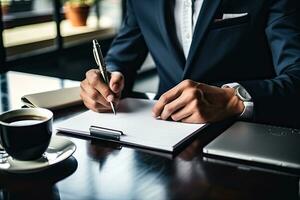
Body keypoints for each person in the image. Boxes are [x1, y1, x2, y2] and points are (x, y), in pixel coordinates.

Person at [80, 0, 300, 127]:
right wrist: (107, 79)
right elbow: (123, 54)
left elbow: (296, 75)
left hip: (246, 138)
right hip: (158, 136)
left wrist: (234, 100)